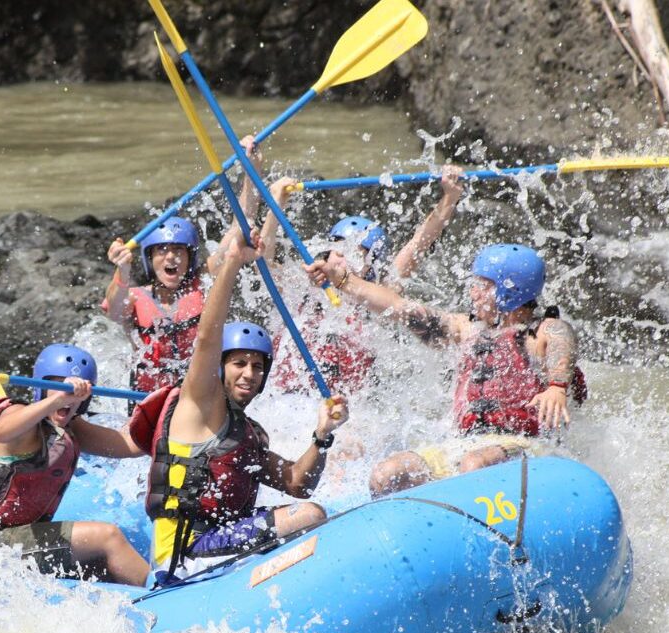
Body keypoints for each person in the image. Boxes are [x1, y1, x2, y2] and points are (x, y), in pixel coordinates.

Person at [125, 231, 349, 579]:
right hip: (186, 553)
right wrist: (232, 262)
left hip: (220, 543)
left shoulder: (247, 431)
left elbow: (296, 483)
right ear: (220, 368)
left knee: (309, 508)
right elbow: (206, 337)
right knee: (309, 516)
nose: (249, 374)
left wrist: (322, 436)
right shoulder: (198, 406)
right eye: (239, 364)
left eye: (257, 367)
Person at [303, 243, 587, 497]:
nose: (473, 292)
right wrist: (341, 279)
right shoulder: (467, 329)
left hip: (525, 448)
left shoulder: (537, 332)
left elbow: (562, 338)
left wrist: (557, 386)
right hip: (463, 446)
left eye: (483, 285)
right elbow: (400, 307)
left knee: (474, 464)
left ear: (509, 292)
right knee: (386, 474)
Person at [0, 343, 150, 587]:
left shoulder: (71, 428)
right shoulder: (16, 418)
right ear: (41, 388)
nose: (67, 399)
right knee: (108, 538)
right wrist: (57, 400)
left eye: (75, 393)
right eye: (57, 385)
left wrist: (172, 410)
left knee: (100, 564)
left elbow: (128, 445)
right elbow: (2, 432)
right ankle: (164, 603)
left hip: (16, 544)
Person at [267, 166, 466, 394]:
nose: (343, 261)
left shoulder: (379, 292)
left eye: (356, 255)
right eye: (339, 251)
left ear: (372, 268)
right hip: (284, 399)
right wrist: (276, 202)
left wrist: (450, 196)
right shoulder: (303, 286)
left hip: (345, 410)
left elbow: (418, 243)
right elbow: (264, 259)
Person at [103, 136, 272, 395]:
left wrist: (252, 169)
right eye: (162, 250)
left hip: (197, 395)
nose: (171, 258)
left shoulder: (204, 281)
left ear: (190, 257)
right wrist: (122, 269)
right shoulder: (135, 298)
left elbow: (241, 223)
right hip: (148, 399)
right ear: (149, 259)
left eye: (179, 250)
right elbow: (115, 310)